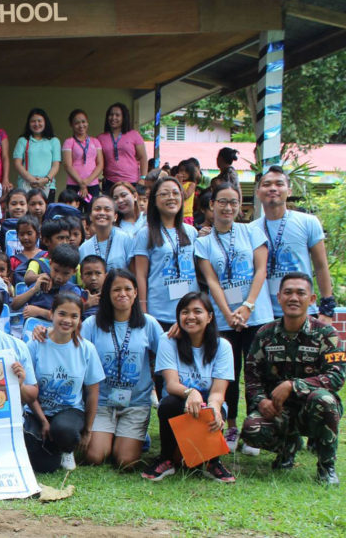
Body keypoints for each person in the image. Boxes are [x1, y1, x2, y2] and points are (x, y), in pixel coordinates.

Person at [240, 273, 344, 485]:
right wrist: (261, 401)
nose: (293, 298)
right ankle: (288, 447)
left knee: (325, 400)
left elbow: (336, 376)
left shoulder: (327, 334)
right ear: (279, 297)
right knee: (251, 429)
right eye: (288, 292)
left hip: (313, 408)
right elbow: (251, 376)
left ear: (312, 299)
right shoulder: (265, 334)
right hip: (279, 409)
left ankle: (326, 467)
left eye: (300, 293)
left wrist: (293, 385)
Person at [194, 182, 274, 452]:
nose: (228, 207)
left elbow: (261, 270)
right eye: (222, 202)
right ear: (211, 205)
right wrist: (228, 314)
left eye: (234, 202)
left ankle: (255, 428)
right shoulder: (203, 242)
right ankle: (231, 426)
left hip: (256, 315)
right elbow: (211, 281)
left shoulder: (252, 232)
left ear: (240, 206)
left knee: (255, 373)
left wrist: (248, 306)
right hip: (223, 318)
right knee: (227, 373)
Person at [143, 292, 235, 483]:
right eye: (185, 312)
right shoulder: (168, 340)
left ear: (209, 317)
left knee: (214, 410)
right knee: (168, 403)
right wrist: (191, 392)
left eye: (197, 311)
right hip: (179, 404)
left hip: (206, 406)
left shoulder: (223, 346)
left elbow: (218, 392)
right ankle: (167, 458)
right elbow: (171, 384)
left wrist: (214, 408)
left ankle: (212, 462)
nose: (190, 316)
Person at [82, 269, 163, 467]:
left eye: (128, 289)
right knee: (95, 456)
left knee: (125, 461)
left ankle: (131, 436)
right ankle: (115, 435)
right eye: (116, 289)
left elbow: (166, 352)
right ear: (107, 294)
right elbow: (74, 350)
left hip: (135, 404)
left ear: (135, 292)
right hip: (102, 403)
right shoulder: (92, 324)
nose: (122, 294)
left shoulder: (149, 324)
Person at [25, 293, 104, 472]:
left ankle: (67, 449)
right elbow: (29, 388)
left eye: (74, 316)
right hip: (37, 411)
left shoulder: (87, 349)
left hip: (69, 412)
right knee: (44, 466)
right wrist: (43, 421)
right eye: (62, 314)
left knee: (63, 430)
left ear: (80, 320)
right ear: (51, 314)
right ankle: (49, 448)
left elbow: (93, 392)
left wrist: (87, 430)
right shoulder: (35, 344)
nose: (67, 320)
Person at [253, 165, 336, 324]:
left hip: (303, 311)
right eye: (267, 184)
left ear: (289, 191)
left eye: (279, 184)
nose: (273, 188)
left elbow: (321, 266)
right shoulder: (251, 229)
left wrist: (327, 309)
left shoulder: (308, 222)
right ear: (258, 192)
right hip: (265, 315)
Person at [132, 176, 198, 329]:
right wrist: (143, 309)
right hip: (160, 312)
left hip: (189, 311)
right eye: (164, 194)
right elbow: (140, 275)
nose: (171, 197)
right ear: (154, 200)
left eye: (175, 193)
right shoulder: (145, 234)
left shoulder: (192, 232)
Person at [12, 244, 82, 320]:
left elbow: (68, 320)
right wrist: (34, 289)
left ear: (74, 272)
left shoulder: (73, 291)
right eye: (56, 270)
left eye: (65, 273)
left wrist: (39, 312)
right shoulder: (41, 282)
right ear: (50, 263)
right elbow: (14, 305)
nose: (59, 277)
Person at [96, 103, 147, 193]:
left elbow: (143, 157)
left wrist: (143, 178)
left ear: (124, 117)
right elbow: (96, 161)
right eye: (111, 115)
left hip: (132, 182)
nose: (113, 118)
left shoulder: (134, 134)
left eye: (117, 115)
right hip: (110, 182)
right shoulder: (100, 138)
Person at [13, 108, 61, 199]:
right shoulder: (23, 140)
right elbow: (17, 163)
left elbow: (56, 165)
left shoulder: (54, 141)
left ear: (45, 122)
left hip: (48, 186)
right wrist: (31, 179)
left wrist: (46, 179)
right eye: (33, 121)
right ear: (28, 123)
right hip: (26, 185)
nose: (36, 124)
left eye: (39, 121)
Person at [79, 195, 134, 272]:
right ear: (90, 216)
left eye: (107, 209)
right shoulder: (83, 248)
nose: (102, 213)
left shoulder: (126, 239)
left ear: (115, 217)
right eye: (97, 209)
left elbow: (134, 273)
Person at [62, 109, 104, 202]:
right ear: (71, 125)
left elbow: (100, 164)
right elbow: (67, 165)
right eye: (77, 123)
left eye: (83, 122)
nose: (81, 125)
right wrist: (81, 183)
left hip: (92, 184)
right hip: (74, 184)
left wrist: (87, 182)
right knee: (74, 210)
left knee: (92, 209)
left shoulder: (95, 141)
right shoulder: (69, 142)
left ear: (87, 123)